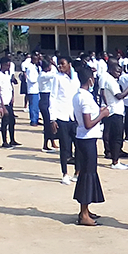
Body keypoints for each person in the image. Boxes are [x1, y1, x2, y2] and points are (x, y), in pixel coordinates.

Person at [72, 63, 110, 226]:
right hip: (87, 138)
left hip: (83, 137)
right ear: (90, 79)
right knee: (88, 174)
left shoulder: (78, 95)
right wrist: (102, 114)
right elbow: (88, 123)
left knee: (88, 174)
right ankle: (84, 213)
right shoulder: (85, 97)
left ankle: (86, 209)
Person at [50, 56, 79, 185]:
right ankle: (65, 173)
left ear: (70, 64)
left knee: (79, 145)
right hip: (62, 116)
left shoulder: (77, 77)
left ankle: (77, 172)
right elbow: (53, 97)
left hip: (75, 116)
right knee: (64, 146)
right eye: (59, 64)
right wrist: (52, 119)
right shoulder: (57, 78)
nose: (60, 66)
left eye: (63, 64)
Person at [99, 61, 128, 169]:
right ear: (111, 69)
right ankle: (115, 162)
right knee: (117, 137)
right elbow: (119, 96)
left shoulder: (109, 79)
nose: (119, 74)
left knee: (113, 136)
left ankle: (114, 157)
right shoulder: (110, 80)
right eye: (117, 71)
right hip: (115, 112)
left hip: (112, 110)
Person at [0, 56, 19, 147]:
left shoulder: (7, 75)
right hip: (4, 103)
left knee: (12, 122)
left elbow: (10, 86)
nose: (8, 67)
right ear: (2, 65)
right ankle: (4, 141)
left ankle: (12, 139)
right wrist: (2, 106)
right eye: (7, 65)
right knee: (4, 123)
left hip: (9, 102)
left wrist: (13, 96)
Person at [38, 59, 56, 150]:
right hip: (45, 100)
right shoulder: (43, 75)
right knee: (47, 124)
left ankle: (52, 142)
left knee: (50, 122)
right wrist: (55, 64)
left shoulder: (46, 74)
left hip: (47, 99)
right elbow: (55, 74)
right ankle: (45, 144)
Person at [23, 52, 41, 124]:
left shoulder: (35, 67)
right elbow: (31, 79)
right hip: (32, 89)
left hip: (37, 89)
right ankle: (33, 120)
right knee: (33, 106)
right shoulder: (30, 68)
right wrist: (39, 78)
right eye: (36, 60)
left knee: (36, 106)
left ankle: (36, 119)